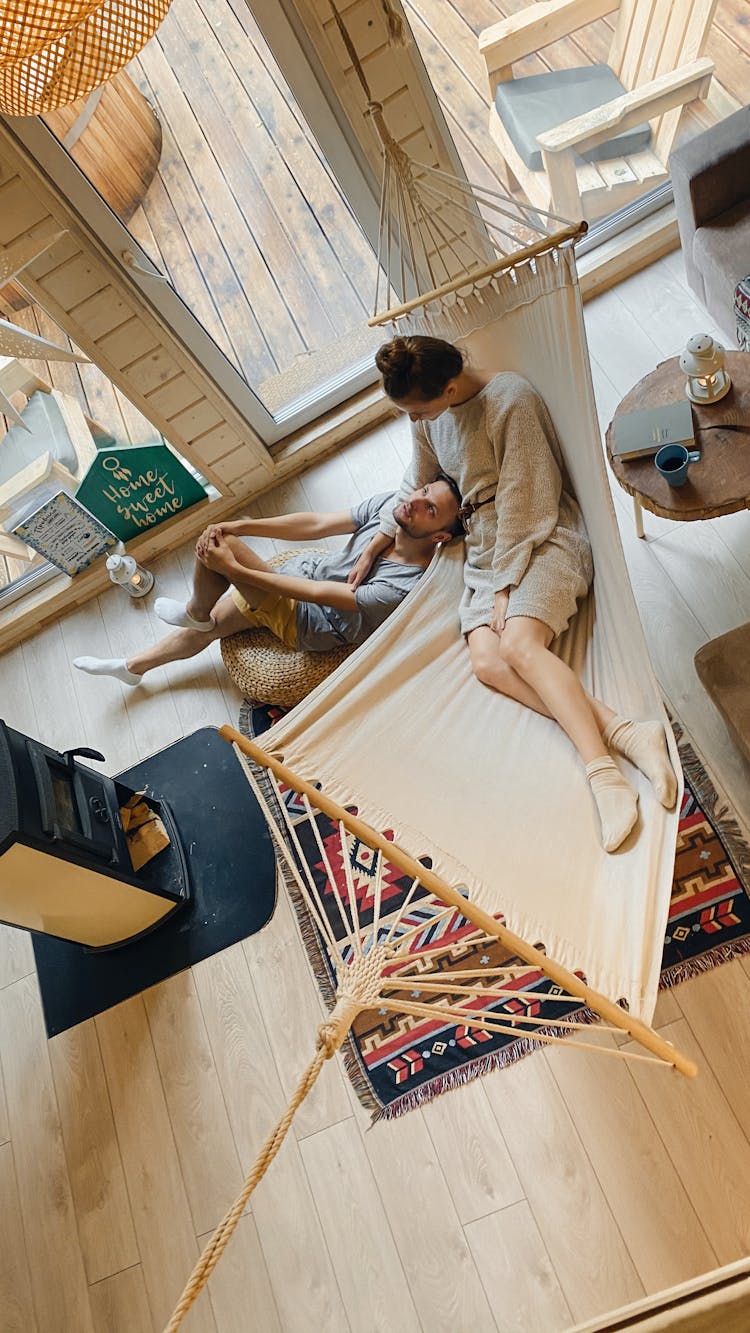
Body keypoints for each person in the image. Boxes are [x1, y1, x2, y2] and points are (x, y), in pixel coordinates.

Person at [350, 335, 677, 853]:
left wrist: (505, 586)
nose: (414, 421)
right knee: (487, 662)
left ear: (451, 387)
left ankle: (604, 779)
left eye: (416, 411)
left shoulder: (510, 400)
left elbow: (531, 497)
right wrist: (377, 542)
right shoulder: (432, 419)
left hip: (545, 536)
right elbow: (416, 479)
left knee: (518, 646)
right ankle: (625, 734)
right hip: (485, 548)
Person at [73, 481, 462, 686]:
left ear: (440, 536)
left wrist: (235, 568)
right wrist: (242, 522)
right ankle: (132, 667)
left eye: (430, 508)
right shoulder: (394, 507)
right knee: (209, 627)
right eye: (424, 491)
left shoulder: (405, 585)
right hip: (301, 574)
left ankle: (195, 609)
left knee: (220, 548)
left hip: (311, 621)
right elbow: (317, 523)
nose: (416, 500)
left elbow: (317, 595)